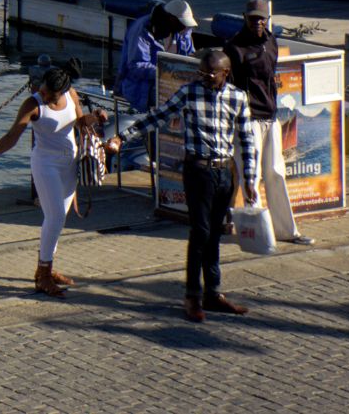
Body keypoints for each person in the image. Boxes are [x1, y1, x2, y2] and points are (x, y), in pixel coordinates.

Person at [108, 49, 259, 321]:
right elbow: (158, 116)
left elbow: (247, 139)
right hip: (198, 170)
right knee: (199, 231)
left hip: (224, 171)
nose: (204, 77)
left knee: (216, 233)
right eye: (201, 72)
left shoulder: (238, 97)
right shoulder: (190, 92)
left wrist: (250, 178)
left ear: (225, 73)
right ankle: (192, 295)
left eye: (209, 73)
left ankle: (213, 293)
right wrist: (123, 136)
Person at [0, 65, 104, 295]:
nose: (43, 93)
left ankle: (45, 268)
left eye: (49, 93)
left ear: (62, 92)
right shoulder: (33, 104)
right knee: (55, 216)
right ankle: (44, 275)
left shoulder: (71, 94)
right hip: (45, 164)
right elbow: (12, 136)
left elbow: (78, 122)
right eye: (43, 89)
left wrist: (93, 118)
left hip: (69, 162)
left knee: (58, 219)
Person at [223, 0, 315, 247]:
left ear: (267, 19)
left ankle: (287, 231)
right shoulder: (234, 47)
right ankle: (261, 236)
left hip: (270, 117)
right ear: (244, 18)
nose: (257, 22)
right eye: (253, 18)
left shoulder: (271, 42)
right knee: (250, 177)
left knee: (276, 173)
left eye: (261, 18)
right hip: (247, 120)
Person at [116, 0, 196, 114]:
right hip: (142, 89)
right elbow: (136, 66)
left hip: (172, 85)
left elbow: (190, 55)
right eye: (183, 24)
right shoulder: (142, 29)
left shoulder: (184, 31)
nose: (185, 28)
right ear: (171, 19)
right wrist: (166, 73)